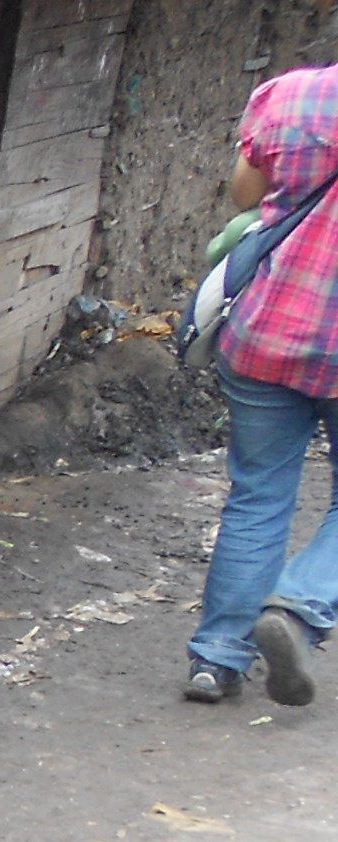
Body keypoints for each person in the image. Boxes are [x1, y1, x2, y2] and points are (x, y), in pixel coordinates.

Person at [185, 61, 338, 707]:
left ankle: (216, 660)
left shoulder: (290, 93)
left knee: (256, 498)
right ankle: (299, 610)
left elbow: (246, 196)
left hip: (270, 328)